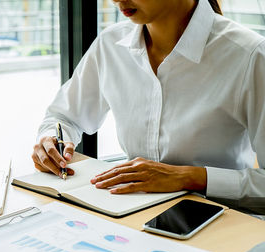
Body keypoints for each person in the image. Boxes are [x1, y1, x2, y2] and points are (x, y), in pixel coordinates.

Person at [32, 0, 265, 214]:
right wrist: (52, 141)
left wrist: (191, 177)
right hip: (131, 216)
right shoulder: (111, 44)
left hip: (224, 225)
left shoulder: (250, 55)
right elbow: (64, 116)